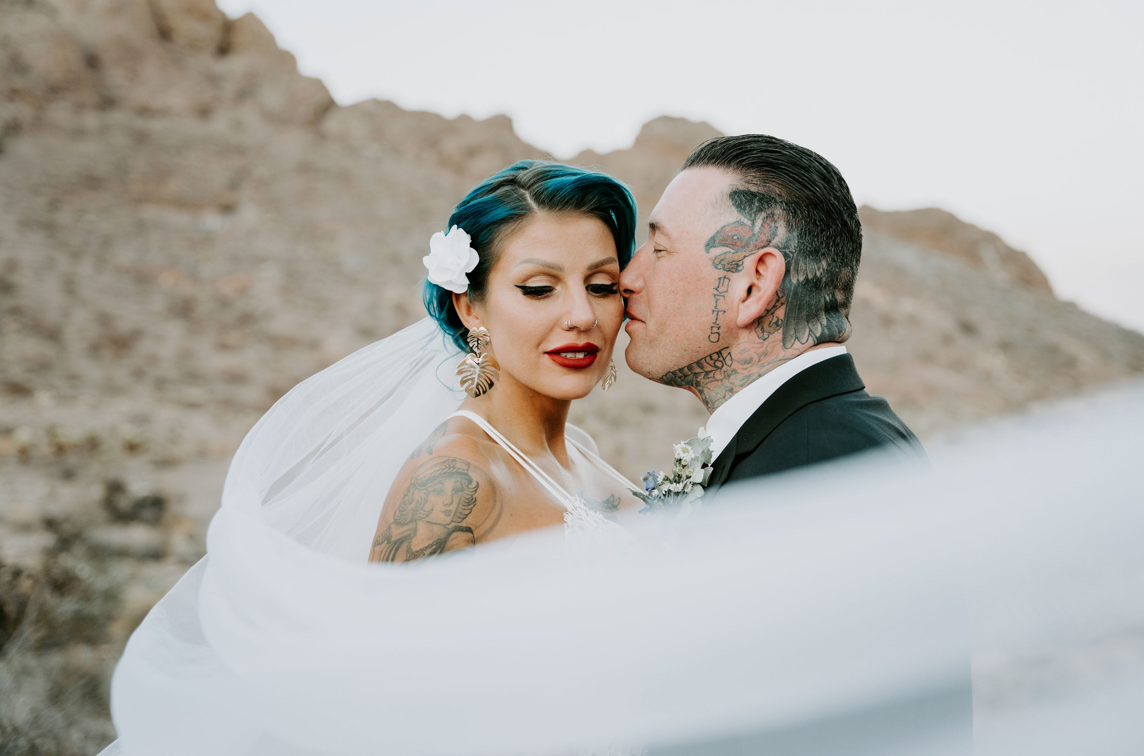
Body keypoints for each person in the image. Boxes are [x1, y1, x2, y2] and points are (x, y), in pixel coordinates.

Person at [369, 160, 644, 562]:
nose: (583, 316)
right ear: (470, 308)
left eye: (601, 286)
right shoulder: (452, 478)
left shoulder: (583, 452)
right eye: (539, 289)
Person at [619, 134, 927, 492]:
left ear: (754, 285)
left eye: (660, 248)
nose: (626, 278)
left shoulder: (809, 473)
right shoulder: (834, 438)